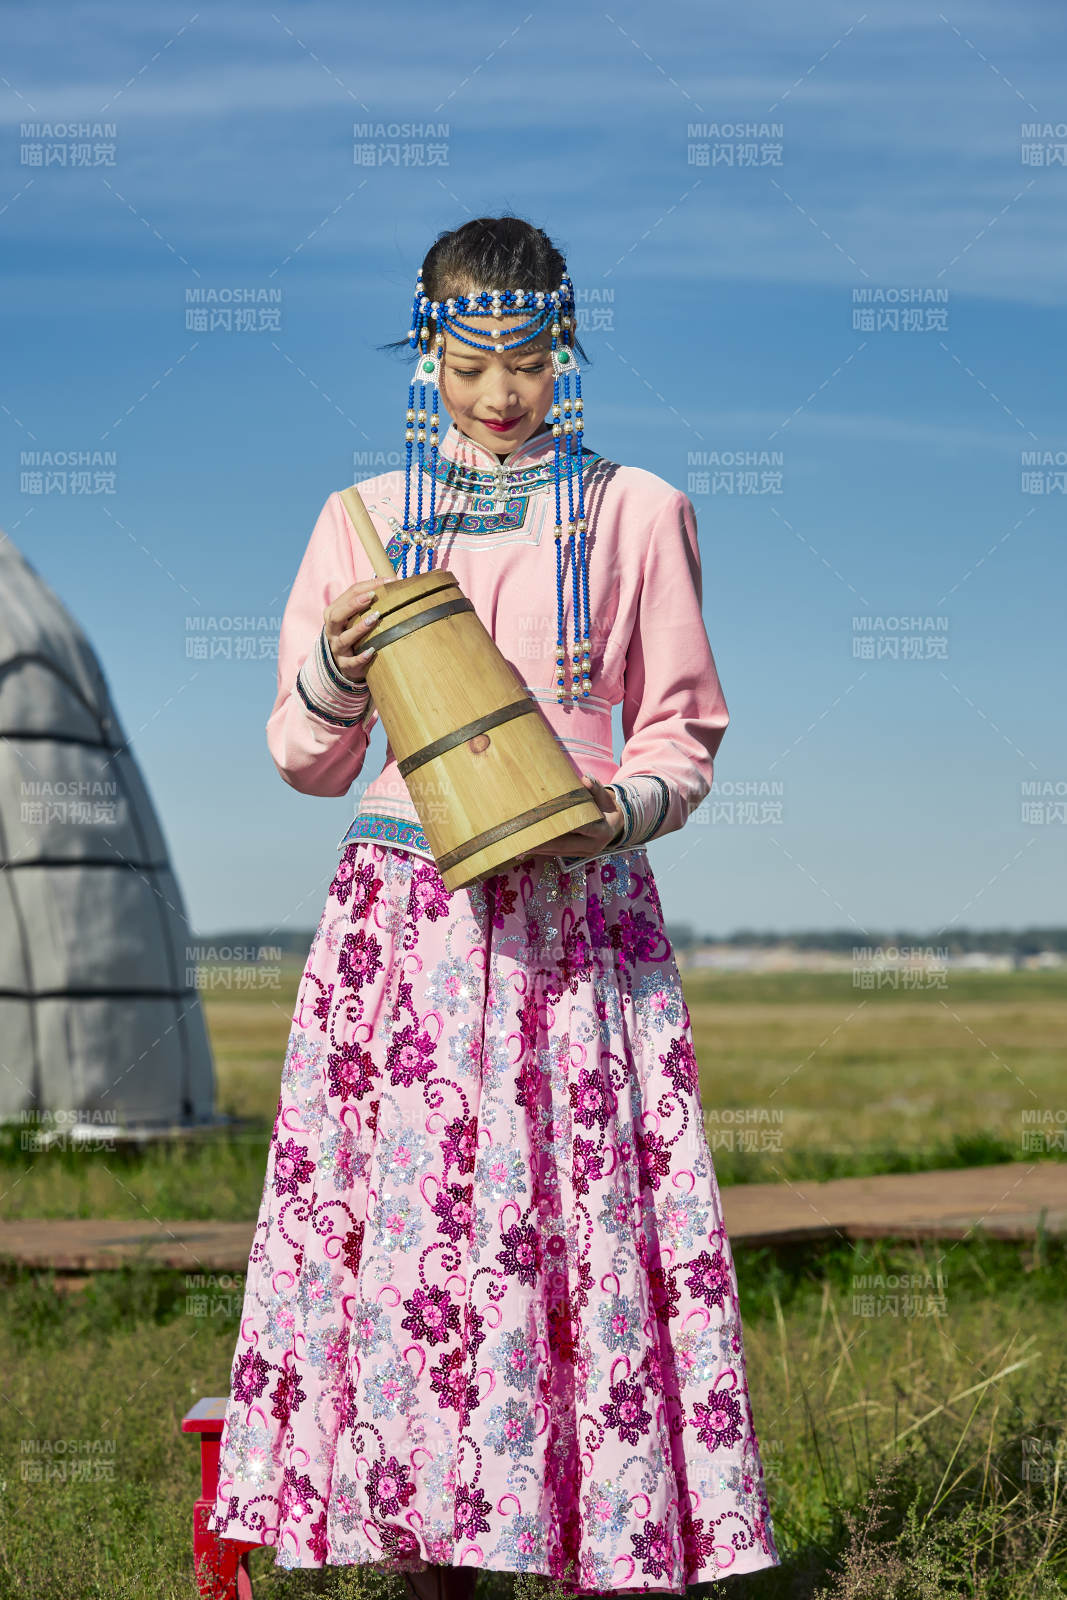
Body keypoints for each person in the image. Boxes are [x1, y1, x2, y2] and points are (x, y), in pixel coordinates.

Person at [208, 216, 780, 1597]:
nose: (500, 393)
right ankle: (429, 1560)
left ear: (564, 350)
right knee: (412, 1235)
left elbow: (681, 731)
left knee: (575, 1224)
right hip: (402, 923)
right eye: (469, 367)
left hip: (576, 905)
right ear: (429, 361)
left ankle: (596, 1538)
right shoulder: (360, 520)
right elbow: (304, 758)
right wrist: (338, 671)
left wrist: (614, 813)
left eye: (526, 362)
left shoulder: (638, 511)